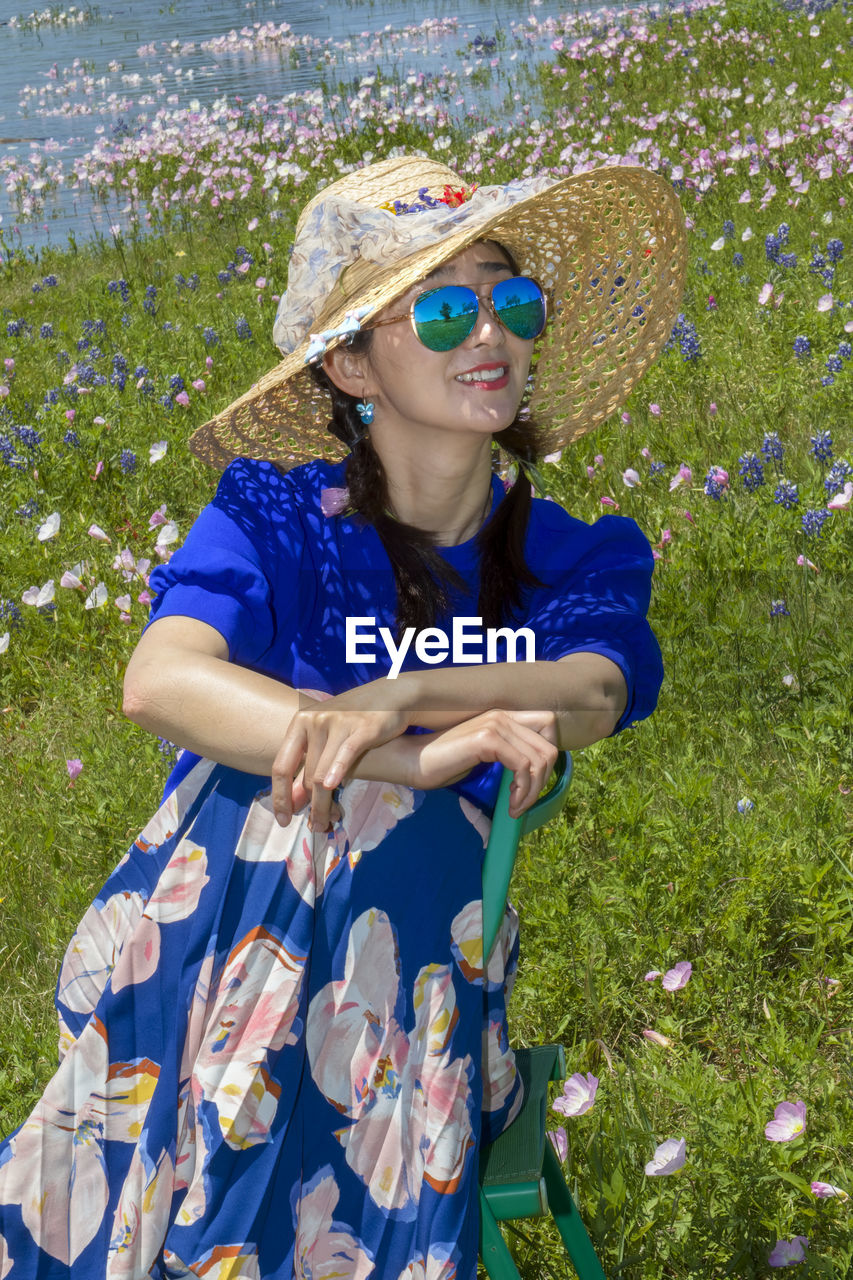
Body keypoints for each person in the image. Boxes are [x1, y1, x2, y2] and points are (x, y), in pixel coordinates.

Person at [0, 155, 686, 1278]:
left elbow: (597, 690)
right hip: (209, 952)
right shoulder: (278, 513)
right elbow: (157, 679)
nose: (492, 333)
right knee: (301, 807)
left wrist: (396, 700)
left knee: (344, 815)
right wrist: (413, 761)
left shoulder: (571, 554)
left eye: (511, 300)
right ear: (351, 359)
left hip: (420, 1006)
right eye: (446, 305)